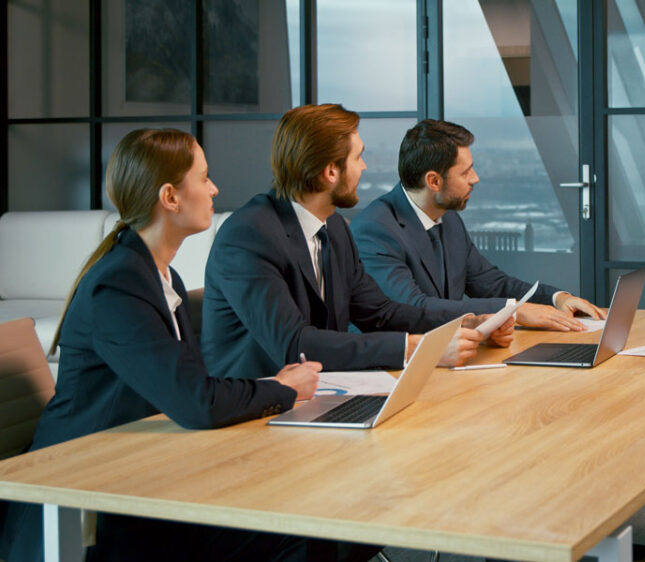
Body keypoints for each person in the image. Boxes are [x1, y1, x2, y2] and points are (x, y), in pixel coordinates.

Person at [0, 129, 344, 562]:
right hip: (87, 503)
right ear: (170, 197)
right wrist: (283, 389)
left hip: (140, 473)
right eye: (204, 178)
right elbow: (195, 401)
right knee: (299, 536)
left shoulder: (160, 276)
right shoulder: (119, 284)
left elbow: (189, 387)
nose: (215, 188)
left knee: (303, 520)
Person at [201, 106, 513, 381]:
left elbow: (381, 313)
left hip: (323, 395)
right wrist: (415, 349)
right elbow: (295, 344)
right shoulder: (247, 236)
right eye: (358, 157)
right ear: (331, 172)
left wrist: (469, 323)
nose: (364, 168)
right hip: (253, 413)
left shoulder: (334, 227)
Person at [349, 119, 605, 331]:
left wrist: (558, 299)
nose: (475, 178)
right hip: (396, 369)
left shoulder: (448, 218)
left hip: (449, 355)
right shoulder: (375, 230)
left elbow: (491, 282)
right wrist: (511, 311)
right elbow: (414, 306)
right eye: (465, 172)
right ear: (434, 181)